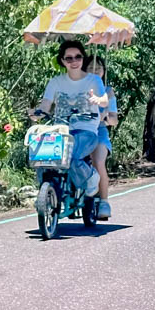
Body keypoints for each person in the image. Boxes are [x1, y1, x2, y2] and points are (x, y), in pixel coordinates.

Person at [28, 39, 108, 196]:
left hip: (86, 131)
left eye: (78, 57)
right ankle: (47, 191)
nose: (74, 61)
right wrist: (37, 113)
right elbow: (46, 105)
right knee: (42, 158)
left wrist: (98, 100)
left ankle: (91, 179)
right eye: (69, 58)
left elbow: (104, 100)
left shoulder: (93, 80)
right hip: (62, 130)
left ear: (83, 58)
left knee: (72, 157)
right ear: (62, 61)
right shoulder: (56, 82)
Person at [85, 55, 118, 219]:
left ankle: (104, 201)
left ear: (103, 71)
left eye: (98, 68)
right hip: (78, 132)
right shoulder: (77, 89)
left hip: (99, 132)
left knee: (98, 161)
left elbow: (113, 119)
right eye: (90, 68)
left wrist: (106, 118)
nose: (95, 71)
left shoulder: (107, 92)